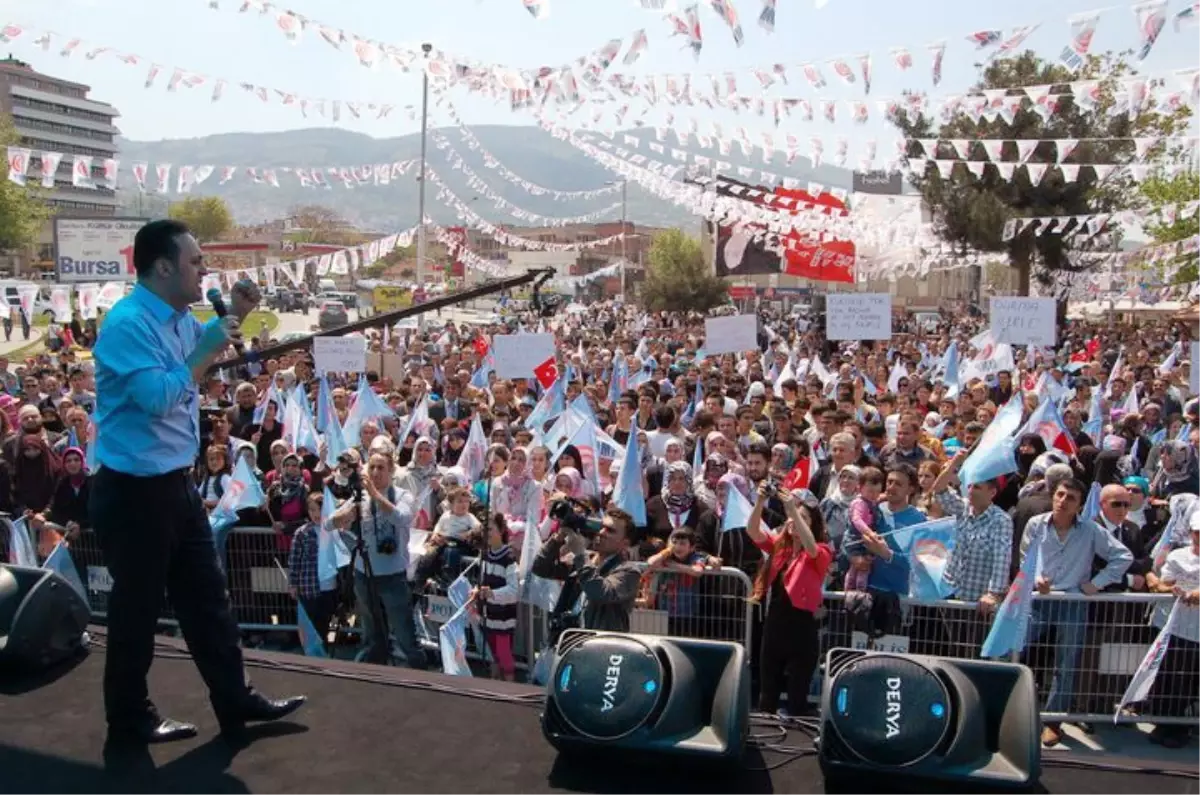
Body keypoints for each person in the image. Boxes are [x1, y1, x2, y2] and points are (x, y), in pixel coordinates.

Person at [89, 219, 303, 753]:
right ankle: (129, 718)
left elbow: (199, 364)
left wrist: (235, 316)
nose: (204, 270)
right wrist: (207, 345)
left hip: (175, 483)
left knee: (208, 600)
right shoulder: (128, 324)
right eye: (195, 261)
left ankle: (234, 697)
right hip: (133, 489)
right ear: (162, 267)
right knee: (136, 610)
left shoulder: (182, 318)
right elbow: (160, 396)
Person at [327, 450, 427, 668]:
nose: (375, 472)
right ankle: (375, 675)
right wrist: (341, 518)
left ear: (391, 471)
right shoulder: (359, 498)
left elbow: (402, 518)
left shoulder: (403, 496)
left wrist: (375, 494)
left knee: (405, 634)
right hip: (364, 576)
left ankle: (422, 676)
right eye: (371, 467)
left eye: (381, 468)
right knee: (372, 633)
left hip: (393, 577)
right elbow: (327, 523)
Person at [746, 486, 832, 716]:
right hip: (775, 626)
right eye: (791, 517)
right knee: (767, 693)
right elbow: (753, 531)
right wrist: (760, 502)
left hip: (802, 631)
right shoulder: (779, 546)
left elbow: (811, 548)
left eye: (802, 518)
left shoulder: (822, 551)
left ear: (812, 525)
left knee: (797, 696)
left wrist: (793, 510)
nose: (793, 521)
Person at [532, 503, 641, 634]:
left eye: (610, 530)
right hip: (568, 640)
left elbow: (600, 592)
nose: (601, 533)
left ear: (625, 543)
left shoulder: (628, 570)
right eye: (601, 527)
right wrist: (559, 536)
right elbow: (540, 567)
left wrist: (580, 554)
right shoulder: (585, 560)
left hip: (601, 645)